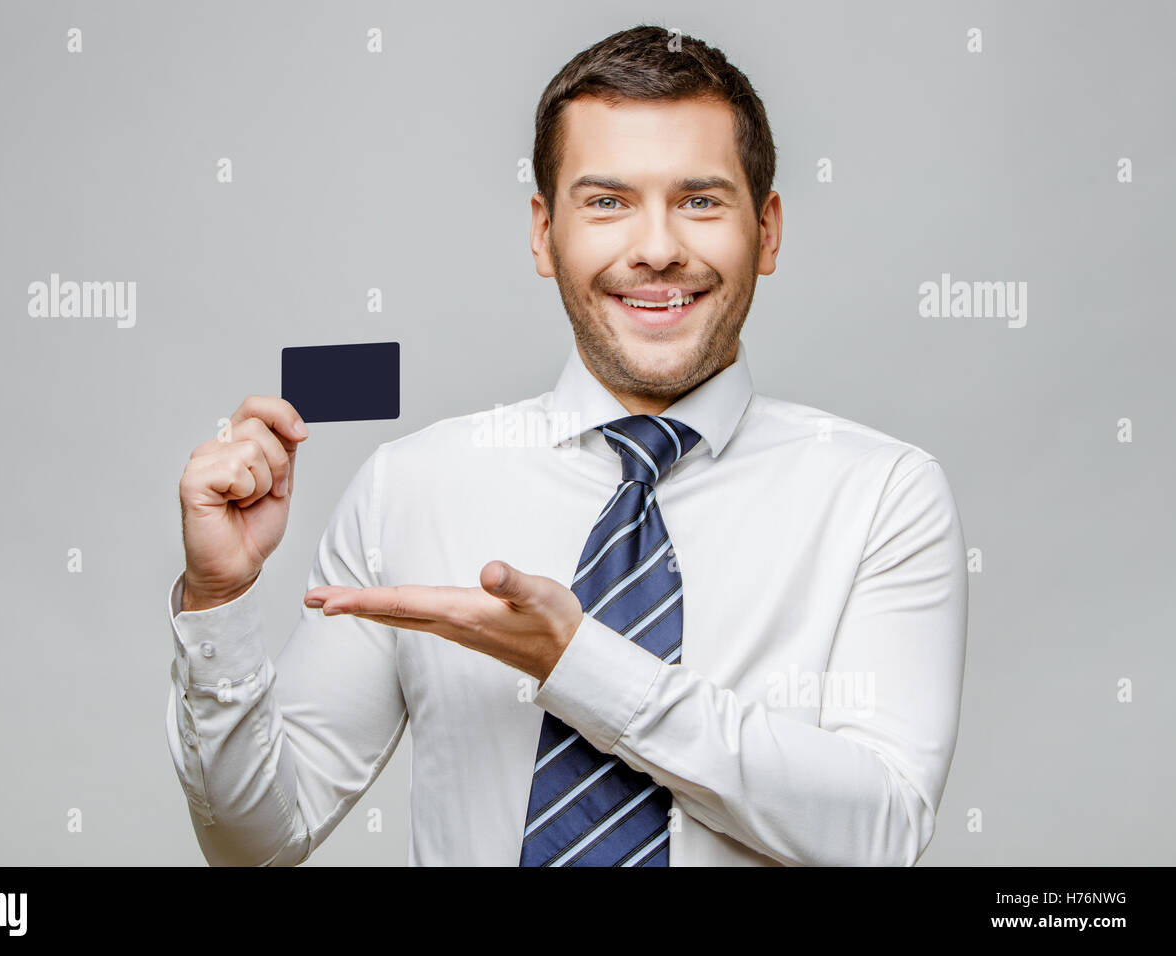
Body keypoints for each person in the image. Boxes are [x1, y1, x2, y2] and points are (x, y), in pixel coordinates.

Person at [166, 24, 968, 867]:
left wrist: (580, 665)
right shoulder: (413, 486)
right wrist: (215, 600)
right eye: (607, 202)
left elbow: (882, 836)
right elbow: (254, 844)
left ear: (766, 230)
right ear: (545, 233)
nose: (657, 249)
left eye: (700, 200)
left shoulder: (883, 494)